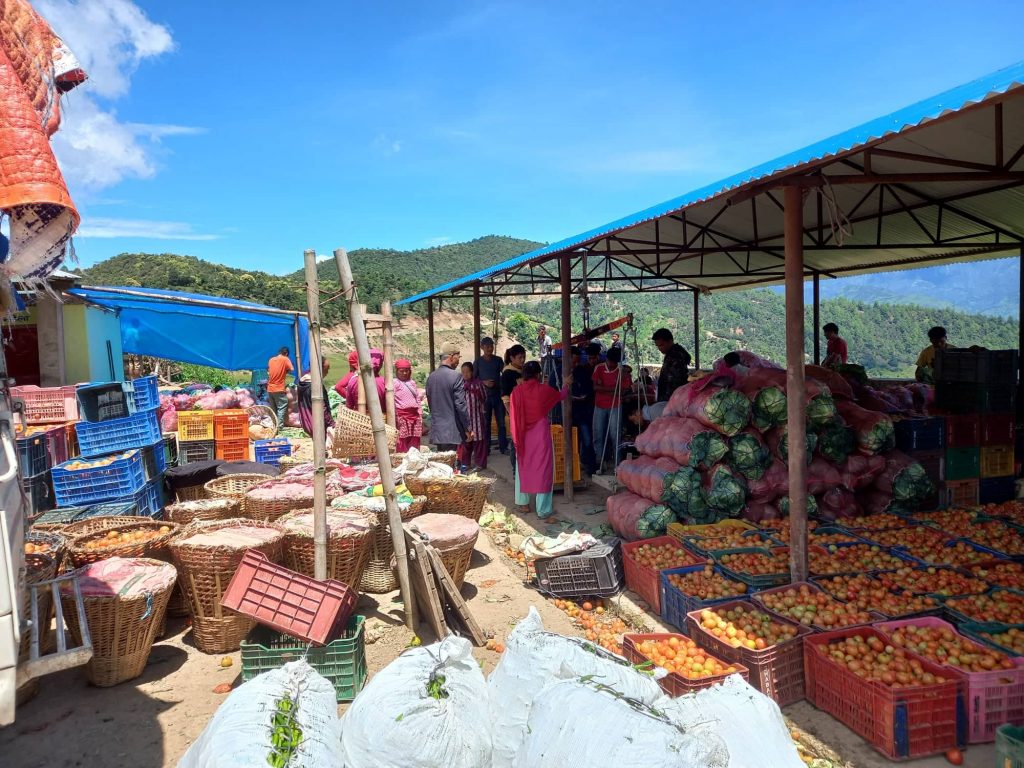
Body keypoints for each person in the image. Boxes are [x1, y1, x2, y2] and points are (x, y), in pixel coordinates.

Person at [509, 360, 571, 518]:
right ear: (538, 374)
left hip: (522, 435)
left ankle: (523, 503)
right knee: (543, 470)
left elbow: (513, 418)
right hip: (540, 435)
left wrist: (515, 438)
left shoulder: (516, 392)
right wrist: (566, 384)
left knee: (522, 467)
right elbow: (561, 395)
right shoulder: (543, 390)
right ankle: (543, 510)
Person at [425, 341, 472, 451]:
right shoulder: (456, 377)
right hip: (451, 430)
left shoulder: (431, 377)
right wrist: (467, 427)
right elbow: (460, 405)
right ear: (451, 357)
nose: (458, 361)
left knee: (442, 463)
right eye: (458, 357)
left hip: (437, 430)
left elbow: (430, 404)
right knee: (450, 464)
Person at [592, 346, 631, 473]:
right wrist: (614, 389)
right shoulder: (600, 368)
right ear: (607, 359)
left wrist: (606, 388)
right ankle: (600, 462)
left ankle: (617, 464)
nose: (612, 364)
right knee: (598, 434)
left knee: (616, 435)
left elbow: (623, 390)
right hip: (600, 406)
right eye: (611, 362)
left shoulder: (622, 371)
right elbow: (595, 387)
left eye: (615, 362)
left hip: (615, 405)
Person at [474, 337, 507, 454]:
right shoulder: (478, 362)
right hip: (485, 397)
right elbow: (474, 379)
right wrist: (484, 382)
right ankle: (486, 449)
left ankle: (503, 447)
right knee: (486, 423)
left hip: (498, 395)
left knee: (501, 422)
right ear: (482, 347)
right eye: (487, 346)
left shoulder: (498, 360)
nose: (490, 348)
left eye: (491, 346)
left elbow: (505, 373)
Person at [570, 347, 597, 475]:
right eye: (574, 361)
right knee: (571, 441)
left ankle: (589, 466)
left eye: (577, 361)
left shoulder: (582, 371)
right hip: (569, 411)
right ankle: (573, 467)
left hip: (583, 410)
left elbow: (590, 389)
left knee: (587, 439)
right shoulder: (560, 371)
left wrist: (584, 396)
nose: (576, 363)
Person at [501, 344, 527, 471]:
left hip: (526, 412)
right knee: (515, 442)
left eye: (524, 357)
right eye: (520, 357)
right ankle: (515, 471)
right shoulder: (507, 373)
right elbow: (505, 397)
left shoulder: (524, 371)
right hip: (514, 412)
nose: (522, 360)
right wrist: (511, 414)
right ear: (512, 358)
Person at [458, 362, 488, 471]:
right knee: (466, 441)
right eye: (463, 372)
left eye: (467, 372)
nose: (465, 374)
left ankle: (480, 463)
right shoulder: (460, 384)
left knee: (479, 441)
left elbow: (484, 397)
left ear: (472, 372)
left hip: (477, 417)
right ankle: (466, 463)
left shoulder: (478, 384)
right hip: (465, 419)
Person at [297, 359, 334, 442]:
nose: (327, 372)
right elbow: (322, 408)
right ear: (319, 369)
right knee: (323, 446)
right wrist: (331, 423)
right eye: (326, 369)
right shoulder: (315, 386)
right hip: (317, 423)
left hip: (306, 420)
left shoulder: (302, 381)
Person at [652, 328, 691, 402]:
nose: (659, 348)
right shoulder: (671, 354)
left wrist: (668, 402)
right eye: (658, 346)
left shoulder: (676, 356)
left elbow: (675, 381)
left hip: (673, 399)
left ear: (670, 341)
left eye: (661, 345)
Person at [393, 358, 424, 452]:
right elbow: (392, 400)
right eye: (401, 371)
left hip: (415, 416)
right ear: (397, 371)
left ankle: (414, 458)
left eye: (407, 371)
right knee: (402, 439)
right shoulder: (395, 383)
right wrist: (395, 417)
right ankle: (402, 459)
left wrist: (420, 413)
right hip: (402, 416)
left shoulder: (412, 383)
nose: (404, 373)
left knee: (415, 438)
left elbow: (417, 398)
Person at [345, 348, 386, 412]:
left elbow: (349, 406)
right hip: (381, 419)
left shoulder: (353, 381)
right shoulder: (384, 382)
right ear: (380, 363)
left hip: (360, 419)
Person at [267, 346, 294, 429]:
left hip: (270, 388)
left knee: (273, 408)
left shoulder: (271, 360)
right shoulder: (285, 359)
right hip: (279, 388)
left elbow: (271, 371)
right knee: (282, 406)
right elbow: (292, 369)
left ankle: (273, 426)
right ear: (286, 353)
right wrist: (286, 371)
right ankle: (279, 427)